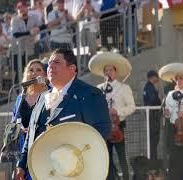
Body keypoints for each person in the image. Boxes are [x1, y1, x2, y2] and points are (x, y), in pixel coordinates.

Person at [15, 48, 111, 180]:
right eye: (49, 63)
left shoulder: (89, 94)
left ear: (72, 68)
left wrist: (72, 156)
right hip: (45, 172)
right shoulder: (42, 98)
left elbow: (101, 130)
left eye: (56, 62)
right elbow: (31, 134)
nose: (50, 66)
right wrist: (21, 164)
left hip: (77, 173)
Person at [89, 51, 136, 180]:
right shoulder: (99, 88)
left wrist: (118, 112)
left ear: (115, 72)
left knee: (121, 156)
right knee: (106, 157)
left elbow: (132, 106)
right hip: (104, 126)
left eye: (111, 70)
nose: (108, 72)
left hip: (118, 125)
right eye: (106, 70)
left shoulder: (123, 87)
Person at [12, 59, 48, 180]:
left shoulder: (50, 94)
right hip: (23, 143)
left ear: (45, 74)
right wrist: (22, 128)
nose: (34, 73)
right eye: (31, 70)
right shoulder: (21, 97)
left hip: (43, 141)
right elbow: (15, 118)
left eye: (38, 70)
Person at [143, 70, 161, 160]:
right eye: (156, 77)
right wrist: (156, 92)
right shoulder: (150, 88)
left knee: (153, 140)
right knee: (154, 139)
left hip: (152, 116)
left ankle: (154, 158)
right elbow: (153, 101)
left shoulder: (148, 87)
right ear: (152, 77)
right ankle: (153, 159)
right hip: (153, 116)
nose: (157, 79)